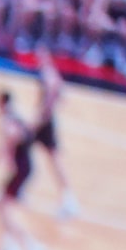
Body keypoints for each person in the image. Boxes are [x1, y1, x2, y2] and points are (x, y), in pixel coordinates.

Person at [0, 87, 46, 250]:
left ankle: (31, 248)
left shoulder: (7, 121)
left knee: (4, 210)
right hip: (23, 169)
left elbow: (14, 136)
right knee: (1, 206)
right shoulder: (17, 116)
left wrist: (4, 150)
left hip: (21, 171)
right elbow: (27, 134)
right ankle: (10, 249)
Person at [34, 57, 77, 217]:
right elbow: (62, 94)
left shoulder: (48, 74)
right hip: (46, 119)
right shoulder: (53, 73)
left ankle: (69, 198)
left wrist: (44, 112)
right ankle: (18, 187)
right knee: (24, 150)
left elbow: (53, 92)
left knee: (54, 159)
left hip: (45, 121)